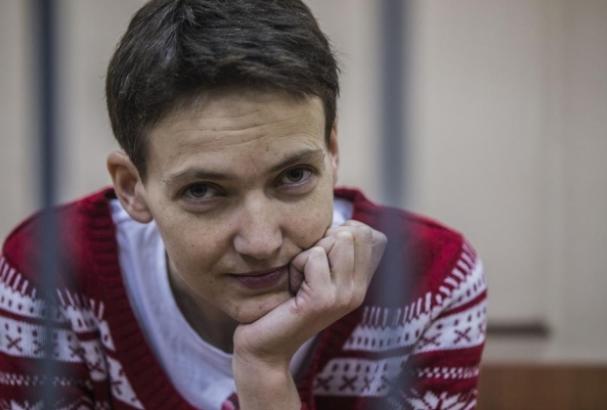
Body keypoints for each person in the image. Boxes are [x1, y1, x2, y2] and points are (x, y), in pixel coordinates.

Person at [0, 0, 487, 409]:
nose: (261, 242)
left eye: (293, 176)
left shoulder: (430, 282)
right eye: (203, 191)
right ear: (132, 188)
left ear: (332, 153)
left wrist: (265, 373)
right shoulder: (48, 275)